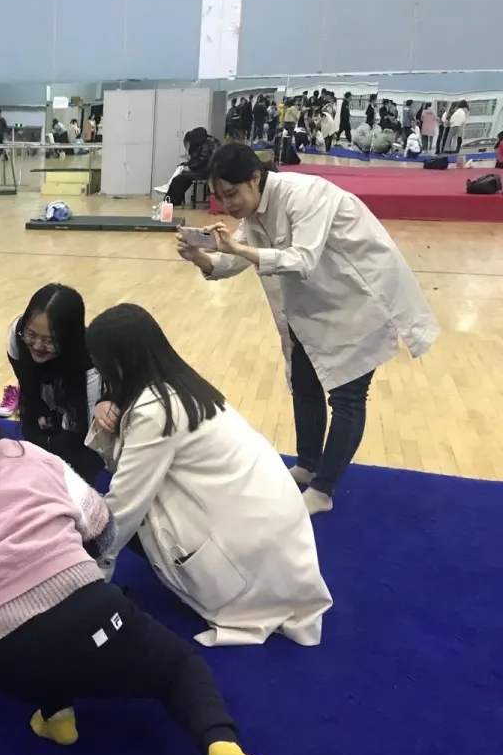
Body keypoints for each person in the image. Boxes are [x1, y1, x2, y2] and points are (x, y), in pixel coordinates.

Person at [0, 372, 259, 755]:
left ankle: (57, 715)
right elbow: (103, 528)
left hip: (10, 662)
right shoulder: (25, 454)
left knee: (49, 654)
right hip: (94, 619)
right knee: (178, 668)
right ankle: (222, 747)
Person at [178, 144, 438, 515]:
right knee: (304, 385)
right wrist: (201, 257)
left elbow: (302, 260)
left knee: (347, 398)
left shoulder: (305, 195)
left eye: (231, 194)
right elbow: (235, 260)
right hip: (313, 307)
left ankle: (323, 490)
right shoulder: (256, 212)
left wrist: (237, 248)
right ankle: (308, 464)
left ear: (254, 178)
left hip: (358, 302)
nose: (227, 204)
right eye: (220, 197)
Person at [83, 304, 332, 646]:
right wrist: (106, 408)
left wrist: (90, 574)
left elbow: (125, 503)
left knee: (116, 517)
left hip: (248, 548)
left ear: (119, 363)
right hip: (274, 528)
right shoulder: (179, 383)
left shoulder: (155, 411)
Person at [0, 284, 104, 484]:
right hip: (49, 392)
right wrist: (38, 409)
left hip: (81, 409)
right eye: (31, 335)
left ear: (69, 339)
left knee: (75, 459)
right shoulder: (17, 334)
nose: (37, 345)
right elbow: (26, 382)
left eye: (49, 340)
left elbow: (80, 427)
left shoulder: (90, 362)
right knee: (32, 437)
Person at [166, 128, 219, 206]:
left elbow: (202, 161)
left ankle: (172, 200)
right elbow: (198, 160)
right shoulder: (203, 145)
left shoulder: (205, 146)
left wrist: (190, 167)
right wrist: (188, 165)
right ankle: (172, 199)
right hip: (201, 170)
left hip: (204, 171)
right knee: (182, 176)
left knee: (180, 178)